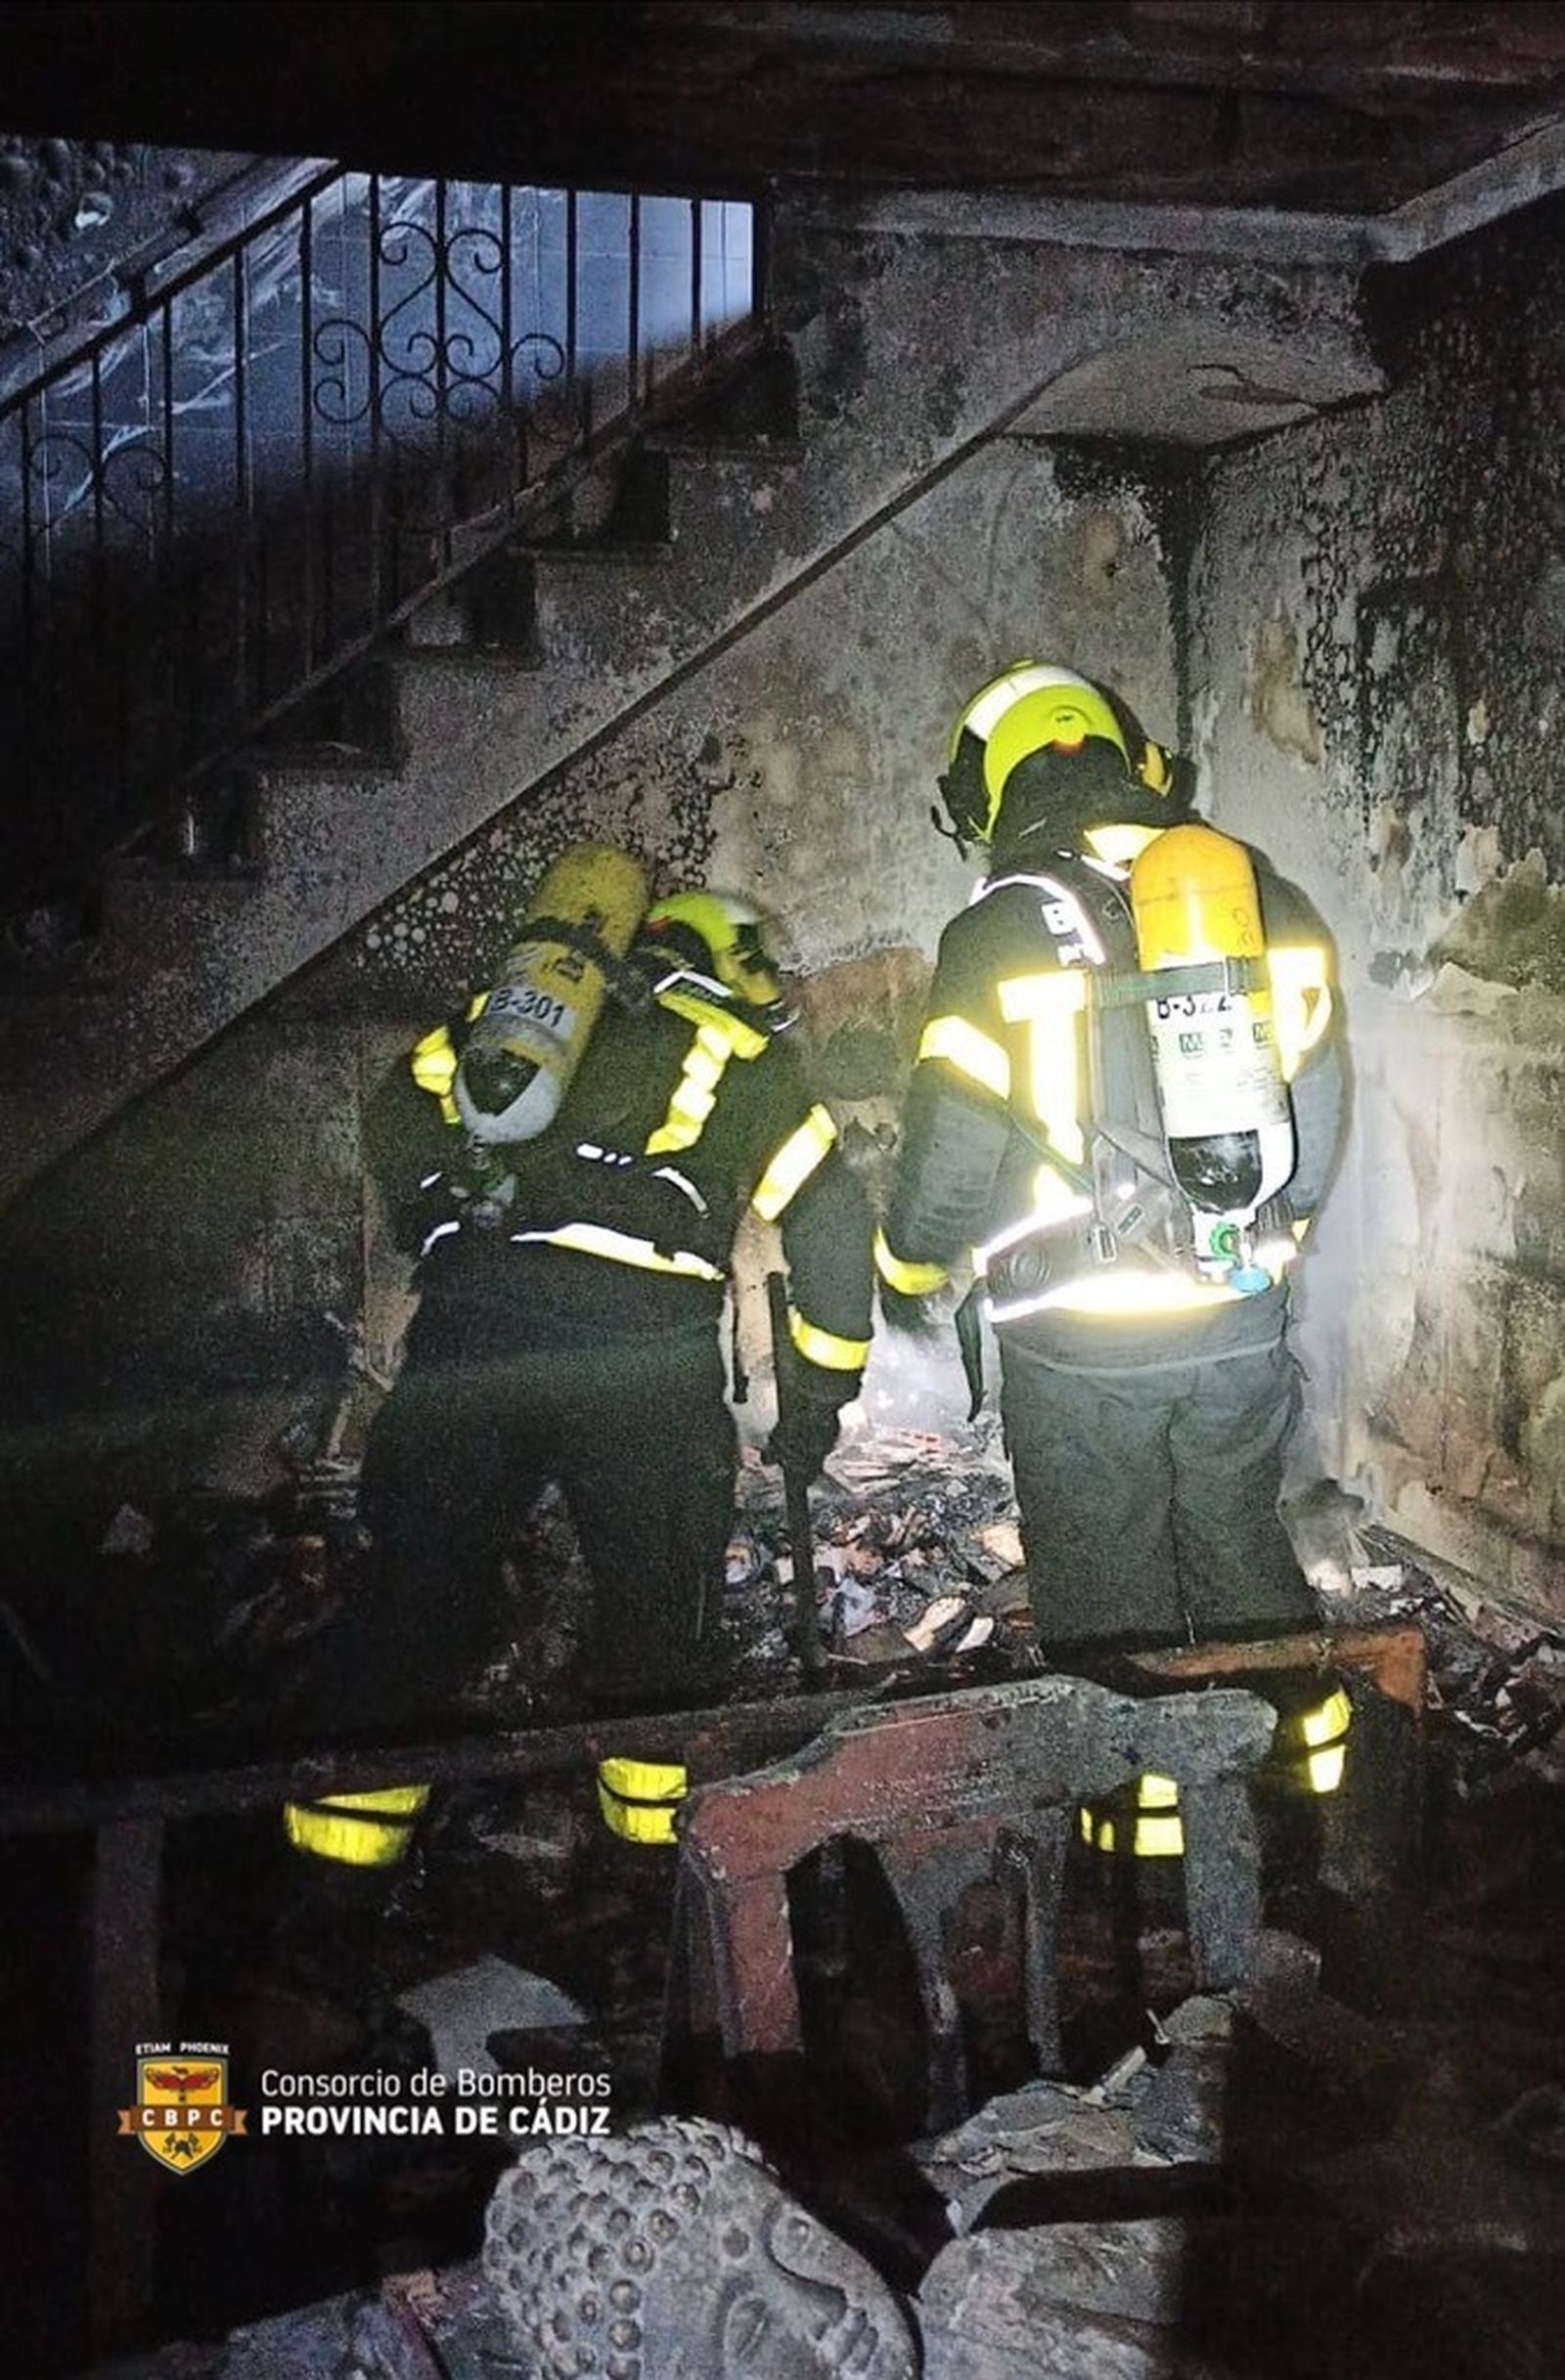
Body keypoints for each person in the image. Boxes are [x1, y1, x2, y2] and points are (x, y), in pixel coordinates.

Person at [289, 856, 872, 1848]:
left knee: (414, 1587)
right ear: (737, 965)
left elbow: (398, 1103)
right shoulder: (739, 1052)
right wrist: (818, 1389)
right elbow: (828, 1217)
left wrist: (434, 1218)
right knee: (658, 1613)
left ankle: (337, 1864)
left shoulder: (510, 1024)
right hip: (642, 1358)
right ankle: (659, 1867)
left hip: (474, 1338)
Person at [875, 663, 1346, 1697]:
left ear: (993, 795)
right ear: (1132, 764)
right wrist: (1271, 1240)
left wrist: (903, 1260)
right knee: (1241, 1555)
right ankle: (1289, 1795)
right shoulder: (1258, 897)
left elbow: (950, 1162)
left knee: (1106, 1599)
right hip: (1234, 1312)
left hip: (1078, 1339)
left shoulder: (994, 932)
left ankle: (1140, 1826)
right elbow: (1314, 1110)